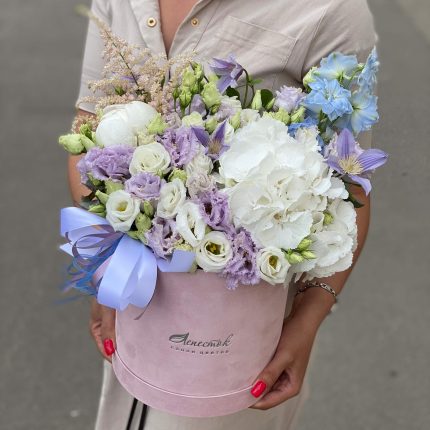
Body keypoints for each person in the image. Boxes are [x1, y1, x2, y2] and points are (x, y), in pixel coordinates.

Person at [68, 0, 377, 428]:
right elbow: (88, 126)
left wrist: (307, 321)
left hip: (238, 336)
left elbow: (348, 183)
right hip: (135, 304)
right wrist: (107, 270)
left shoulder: (332, 9)